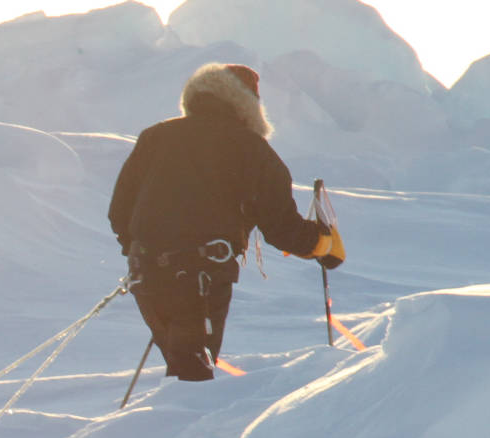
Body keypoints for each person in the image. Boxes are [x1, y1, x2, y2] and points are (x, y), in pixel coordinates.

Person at [107, 62, 344, 380]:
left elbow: (120, 212)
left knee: (183, 370)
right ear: (249, 105)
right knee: (192, 379)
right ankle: (174, 427)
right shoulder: (251, 149)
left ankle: (164, 423)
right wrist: (322, 243)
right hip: (200, 278)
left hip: (146, 276)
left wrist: (146, 253)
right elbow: (281, 227)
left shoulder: (156, 137)